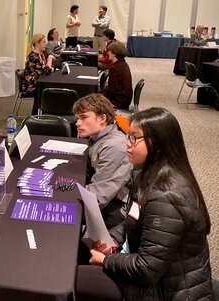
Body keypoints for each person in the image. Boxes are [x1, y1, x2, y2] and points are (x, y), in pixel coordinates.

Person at [76, 107, 214, 301]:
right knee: (77, 248)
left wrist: (106, 260)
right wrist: (113, 240)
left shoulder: (165, 196)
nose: (127, 144)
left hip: (162, 290)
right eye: (128, 136)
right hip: (150, 270)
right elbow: (134, 217)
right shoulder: (148, 174)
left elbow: (147, 269)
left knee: (73, 280)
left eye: (134, 138)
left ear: (158, 142)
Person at [73, 93, 132, 229]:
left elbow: (98, 196)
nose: (77, 123)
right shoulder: (99, 136)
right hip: (106, 194)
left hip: (116, 208)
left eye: (83, 117)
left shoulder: (114, 146)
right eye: (77, 118)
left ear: (102, 118)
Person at [100, 42, 133, 110]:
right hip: (125, 99)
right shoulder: (123, 64)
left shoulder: (115, 68)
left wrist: (99, 95)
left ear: (114, 54)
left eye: (109, 51)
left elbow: (111, 91)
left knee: (92, 103)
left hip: (118, 102)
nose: (108, 53)